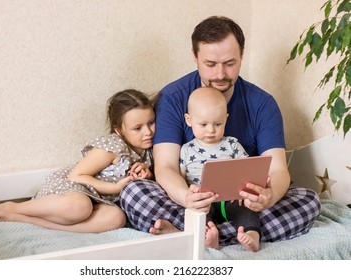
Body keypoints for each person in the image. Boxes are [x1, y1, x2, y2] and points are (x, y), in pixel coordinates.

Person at [120, 16, 321, 246]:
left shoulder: (263, 104)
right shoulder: (172, 98)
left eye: (229, 63)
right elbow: (165, 168)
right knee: (133, 192)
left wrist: (269, 196)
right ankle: (228, 234)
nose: (220, 74)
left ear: (242, 55)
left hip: (241, 205)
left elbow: (278, 170)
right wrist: (187, 198)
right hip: (188, 202)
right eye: (210, 64)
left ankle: (189, 236)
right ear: (195, 57)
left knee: (309, 200)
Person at [0, 89, 155, 233]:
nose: (148, 132)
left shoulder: (150, 152)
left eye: (151, 123)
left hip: (99, 201)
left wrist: (148, 174)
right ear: (119, 131)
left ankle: (27, 220)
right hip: (71, 187)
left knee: (117, 218)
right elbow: (77, 175)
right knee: (79, 208)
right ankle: (14, 207)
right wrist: (115, 188)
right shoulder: (114, 146)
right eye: (137, 128)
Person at [180, 87, 260, 251]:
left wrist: (244, 190)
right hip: (203, 201)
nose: (211, 130)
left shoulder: (231, 144)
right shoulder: (186, 150)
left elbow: (247, 169)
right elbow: (181, 179)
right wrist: (189, 196)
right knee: (196, 215)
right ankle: (209, 239)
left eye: (218, 124)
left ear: (226, 119)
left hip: (230, 199)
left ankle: (252, 236)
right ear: (189, 120)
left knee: (246, 209)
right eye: (203, 124)